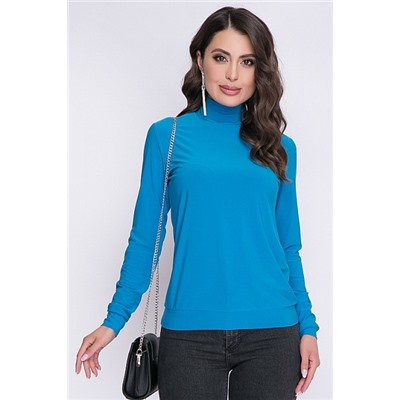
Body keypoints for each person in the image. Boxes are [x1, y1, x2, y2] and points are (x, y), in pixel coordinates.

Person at [75, 6, 320, 399]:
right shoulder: (168, 137)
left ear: (260, 70)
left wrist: (308, 327)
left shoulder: (279, 147)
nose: (233, 74)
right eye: (221, 58)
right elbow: (146, 239)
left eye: (247, 62)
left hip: (273, 331)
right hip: (190, 335)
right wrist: (114, 320)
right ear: (200, 59)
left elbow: (288, 247)